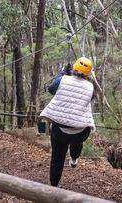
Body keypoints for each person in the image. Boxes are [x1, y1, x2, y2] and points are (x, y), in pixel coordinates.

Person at [39, 57, 95, 187]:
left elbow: (51, 89)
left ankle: (53, 187)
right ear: (88, 73)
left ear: (74, 68)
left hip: (60, 131)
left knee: (57, 159)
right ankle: (74, 158)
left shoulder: (63, 80)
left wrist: (63, 72)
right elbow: (88, 97)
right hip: (80, 132)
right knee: (77, 137)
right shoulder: (90, 87)